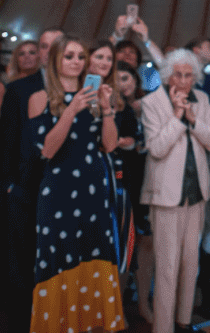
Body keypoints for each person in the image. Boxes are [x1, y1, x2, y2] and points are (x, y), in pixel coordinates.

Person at [27, 34, 124, 333]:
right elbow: (46, 149)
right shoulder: (40, 97)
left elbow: (110, 144)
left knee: (95, 257)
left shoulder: (93, 95)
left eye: (80, 56)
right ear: (56, 60)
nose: (76, 62)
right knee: (59, 260)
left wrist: (106, 108)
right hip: (59, 194)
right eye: (69, 56)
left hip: (95, 193)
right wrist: (70, 110)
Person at [140, 48, 210, 333]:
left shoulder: (201, 99)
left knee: (191, 264)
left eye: (189, 75)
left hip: (197, 194)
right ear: (167, 75)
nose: (184, 81)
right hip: (165, 197)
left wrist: (192, 118)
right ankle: (163, 328)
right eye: (178, 75)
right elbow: (157, 149)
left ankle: (184, 322)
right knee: (166, 267)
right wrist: (177, 116)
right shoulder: (152, 102)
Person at [0, 27, 61, 333]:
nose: (47, 52)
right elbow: (5, 142)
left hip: (64, 189)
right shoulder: (19, 89)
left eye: (55, 46)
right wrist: (8, 185)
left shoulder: (80, 88)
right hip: (24, 189)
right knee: (22, 262)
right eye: (43, 46)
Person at [89, 39, 138, 278]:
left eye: (109, 58)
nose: (105, 63)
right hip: (81, 178)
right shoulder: (76, 95)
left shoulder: (117, 103)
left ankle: (113, 308)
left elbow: (124, 139)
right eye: (99, 57)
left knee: (117, 244)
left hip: (115, 178)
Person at [115, 60, 153, 323]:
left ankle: (144, 304)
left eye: (126, 78)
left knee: (146, 243)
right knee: (124, 246)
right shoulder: (112, 109)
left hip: (148, 180)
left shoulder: (149, 105)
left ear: (135, 81)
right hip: (122, 182)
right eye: (116, 79)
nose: (122, 83)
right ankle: (115, 307)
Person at [0, 39, 38, 126]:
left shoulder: (46, 85)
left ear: (39, 56)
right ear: (16, 59)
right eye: (21, 54)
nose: (27, 56)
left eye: (32, 52)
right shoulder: (3, 86)